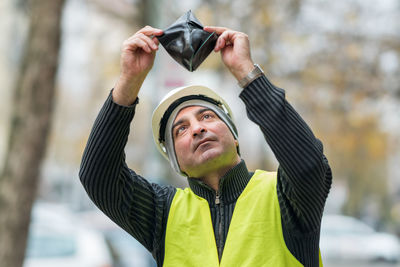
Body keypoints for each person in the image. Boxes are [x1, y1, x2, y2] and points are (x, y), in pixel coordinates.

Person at [79, 25, 332, 267]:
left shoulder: (285, 197)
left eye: (207, 117)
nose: (198, 129)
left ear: (234, 137)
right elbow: (98, 177)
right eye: (181, 129)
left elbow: (308, 165)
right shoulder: (163, 214)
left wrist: (247, 72)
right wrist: (129, 82)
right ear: (176, 161)